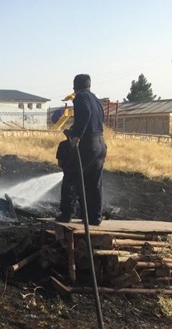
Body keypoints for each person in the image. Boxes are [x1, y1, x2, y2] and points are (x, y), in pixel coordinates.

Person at [67, 74, 107, 225]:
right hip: (100, 145)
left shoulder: (80, 97)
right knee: (93, 182)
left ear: (75, 87)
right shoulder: (96, 99)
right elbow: (94, 118)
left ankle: (66, 215)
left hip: (88, 145)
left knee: (71, 176)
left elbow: (85, 114)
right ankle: (94, 217)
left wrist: (76, 135)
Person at [54, 130, 78, 223]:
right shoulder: (86, 146)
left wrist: (67, 169)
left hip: (69, 173)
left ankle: (67, 216)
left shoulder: (63, 145)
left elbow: (60, 163)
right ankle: (88, 215)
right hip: (86, 173)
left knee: (68, 192)